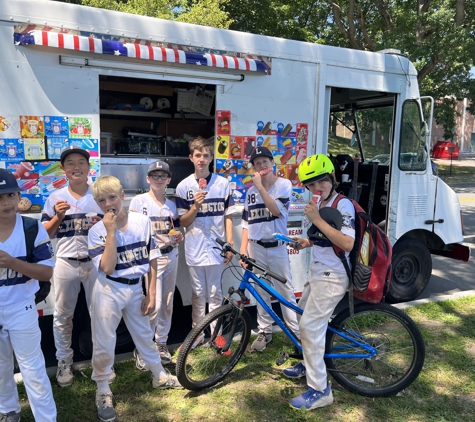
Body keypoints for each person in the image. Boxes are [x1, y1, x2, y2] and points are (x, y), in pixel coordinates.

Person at [88, 175, 182, 422]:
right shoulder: (97, 230)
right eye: (101, 200)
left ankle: (158, 375)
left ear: (122, 195)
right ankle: (103, 389)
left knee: (143, 333)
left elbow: (151, 258)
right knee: (104, 341)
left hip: (135, 287)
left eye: (112, 196)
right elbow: (107, 267)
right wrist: (110, 232)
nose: (108, 203)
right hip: (109, 289)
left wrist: (150, 292)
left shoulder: (141, 221)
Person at [284, 154, 355, 410]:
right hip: (319, 272)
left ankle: (320, 389)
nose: (317, 188)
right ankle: (308, 362)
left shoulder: (342, 204)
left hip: (333, 276)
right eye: (311, 184)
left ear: (332, 178)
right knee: (305, 318)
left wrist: (316, 220)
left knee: (310, 327)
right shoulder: (324, 202)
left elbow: (347, 242)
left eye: (322, 181)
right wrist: (308, 241)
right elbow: (328, 237)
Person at [42, 146, 105, 387]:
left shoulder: (99, 196)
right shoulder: (55, 198)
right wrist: (58, 217)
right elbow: (45, 234)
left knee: (99, 314)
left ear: (90, 168)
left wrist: (103, 223)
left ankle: (101, 362)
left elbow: (116, 227)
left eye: (81, 162)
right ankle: (64, 361)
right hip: (65, 263)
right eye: (70, 163)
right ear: (63, 169)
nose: (76, 167)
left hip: (94, 262)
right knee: (62, 315)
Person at [0, 169, 57, 422]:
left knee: (32, 370)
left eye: (10, 194)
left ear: (19, 196)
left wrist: (13, 262)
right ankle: (9, 411)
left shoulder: (32, 227)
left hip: (21, 307)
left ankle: (46, 418)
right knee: (1, 369)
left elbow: (46, 272)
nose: (5, 203)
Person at [239, 146, 300, 352]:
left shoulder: (284, 184)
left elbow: (276, 211)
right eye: (257, 163)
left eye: (265, 161)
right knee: (260, 290)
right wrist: (243, 249)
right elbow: (246, 222)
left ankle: (295, 332)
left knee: (285, 290)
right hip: (255, 247)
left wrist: (261, 188)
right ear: (254, 167)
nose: (262, 165)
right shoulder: (249, 192)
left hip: (277, 247)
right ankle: (265, 331)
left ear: (272, 164)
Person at [175, 136, 235, 332]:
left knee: (216, 293)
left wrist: (230, 244)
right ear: (191, 157)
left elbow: (228, 216)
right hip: (196, 247)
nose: (201, 159)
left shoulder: (222, 184)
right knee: (198, 294)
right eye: (198, 155)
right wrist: (195, 206)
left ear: (211, 159)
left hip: (217, 247)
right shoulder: (184, 186)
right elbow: (183, 221)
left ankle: (216, 334)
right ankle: (198, 335)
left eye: (206, 155)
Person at [129, 161, 184, 369]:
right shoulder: (138, 201)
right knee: (153, 304)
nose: (159, 179)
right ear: (148, 179)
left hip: (171, 254)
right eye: (155, 175)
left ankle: (161, 342)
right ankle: (143, 347)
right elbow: (132, 231)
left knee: (168, 303)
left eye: (163, 176)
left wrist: (178, 236)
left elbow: (175, 230)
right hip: (151, 258)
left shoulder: (172, 205)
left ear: (169, 180)